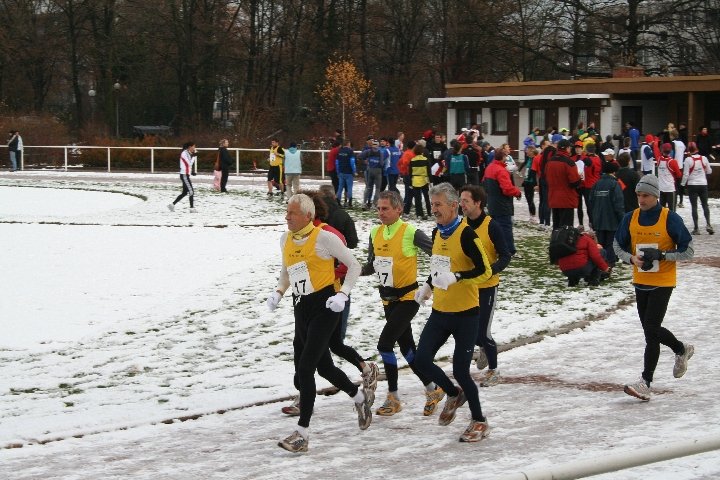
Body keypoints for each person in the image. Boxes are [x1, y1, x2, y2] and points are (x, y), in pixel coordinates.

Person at [267, 194, 374, 453]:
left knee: (305, 368)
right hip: (301, 307)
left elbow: (354, 265)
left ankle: (302, 434)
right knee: (324, 368)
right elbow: (287, 270)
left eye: (291, 213)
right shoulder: (286, 240)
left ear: (307, 216)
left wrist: (343, 294)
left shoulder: (325, 238)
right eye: (286, 212)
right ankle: (359, 397)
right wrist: (279, 292)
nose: (286, 217)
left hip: (326, 307)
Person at [414, 183, 492, 442]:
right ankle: (452, 393)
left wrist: (457, 277)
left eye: (438, 205)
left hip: (466, 315)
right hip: (440, 312)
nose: (433, 209)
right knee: (421, 359)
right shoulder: (437, 233)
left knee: (461, 370)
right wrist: (427, 285)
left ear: (453, 205)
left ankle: (479, 421)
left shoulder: (467, 234)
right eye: (432, 204)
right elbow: (438, 266)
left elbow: (485, 271)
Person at [360, 191, 445, 417]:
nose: (381, 213)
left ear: (399, 209)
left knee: (385, 344)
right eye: (378, 208)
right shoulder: (375, 233)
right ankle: (433, 389)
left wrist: (431, 284)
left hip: (409, 298)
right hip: (388, 300)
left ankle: (393, 397)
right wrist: (352, 270)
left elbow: (438, 254)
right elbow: (372, 266)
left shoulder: (411, 232)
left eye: (385, 208)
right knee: (408, 349)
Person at [613, 175, 695, 401]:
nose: (641, 199)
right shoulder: (631, 218)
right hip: (640, 281)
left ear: (656, 196)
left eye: (645, 195)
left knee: (651, 328)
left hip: (663, 281)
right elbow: (617, 245)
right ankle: (680, 349)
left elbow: (688, 251)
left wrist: (662, 255)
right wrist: (631, 259)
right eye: (638, 195)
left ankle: (645, 382)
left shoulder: (670, 219)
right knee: (650, 332)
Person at [459, 184, 511, 387]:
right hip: (467, 286)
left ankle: (494, 371)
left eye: (466, 201)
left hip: (487, 286)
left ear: (478, 203)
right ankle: (483, 349)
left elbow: (506, 255)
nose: (462, 204)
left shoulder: (491, 226)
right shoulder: (461, 225)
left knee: (482, 332)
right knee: (467, 331)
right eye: (460, 200)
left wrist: (490, 270)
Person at [483, 149, 521, 256]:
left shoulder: (489, 168)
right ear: (503, 157)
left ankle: (496, 249)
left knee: (494, 229)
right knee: (505, 228)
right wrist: (517, 192)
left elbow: (484, 183)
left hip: (492, 203)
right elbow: (507, 188)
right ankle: (510, 251)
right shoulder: (501, 170)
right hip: (502, 204)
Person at [589, 161, 625, 267]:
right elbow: (618, 204)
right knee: (611, 243)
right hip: (612, 220)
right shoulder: (615, 184)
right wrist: (622, 220)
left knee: (600, 243)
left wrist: (593, 218)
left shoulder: (596, 184)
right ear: (614, 172)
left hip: (598, 219)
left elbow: (590, 202)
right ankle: (609, 264)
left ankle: (601, 263)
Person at [545, 139, 581, 230]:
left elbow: (546, 177)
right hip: (566, 199)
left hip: (553, 198)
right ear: (567, 148)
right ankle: (564, 244)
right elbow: (574, 182)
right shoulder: (569, 162)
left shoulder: (550, 161)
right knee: (566, 228)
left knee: (556, 226)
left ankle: (555, 243)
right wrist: (580, 178)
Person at [681, 142, 714, 235]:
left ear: (689, 151)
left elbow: (686, 174)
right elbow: (709, 171)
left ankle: (696, 228)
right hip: (703, 184)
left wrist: (682, 184)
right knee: (705, 205)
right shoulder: (704, 158)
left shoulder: (688, 160)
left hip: (692, 185)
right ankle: (708, 224)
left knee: (694, 206)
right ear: (697, 149)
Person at [168, 141, 197, 212]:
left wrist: (192, 172)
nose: (195, 148)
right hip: (184, 175)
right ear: (190, 147)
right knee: (191, 191)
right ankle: (192, 208)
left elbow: (188, 164)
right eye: (194, 146)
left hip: (185, 175)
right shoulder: (184, 153)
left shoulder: (187, 153)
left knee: (185, 193)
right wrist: (194, 156)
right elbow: (189, 164)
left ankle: (172, 205)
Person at [408, 143, 432, 219]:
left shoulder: (412, 160)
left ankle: (419, 214)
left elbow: (410, 173)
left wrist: (410, 183)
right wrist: (430, 181)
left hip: (415, 180)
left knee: (417, 199)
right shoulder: (425, 160)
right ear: (422, 151)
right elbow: (429, 171)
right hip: (424, 180)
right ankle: (429, 213)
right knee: (426, 198)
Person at [657, 143, 682, 212]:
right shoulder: (673, 162)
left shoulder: (659, 159)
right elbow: (679, 175)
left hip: (661, 188)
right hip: (670, 189)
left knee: (661, 210)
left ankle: (662, 222)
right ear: (671, 151)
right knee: (672, 210)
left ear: (662, 150)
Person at [359, 139, 384, 209]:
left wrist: (365, 161)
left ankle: (364, 203)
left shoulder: (368, 151)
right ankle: (374, 205)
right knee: (378, 188)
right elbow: (382, 163)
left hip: (370, 170)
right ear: (378, 145)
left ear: (372, 145)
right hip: (378, 171)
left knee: (368, 187)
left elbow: (359, 156)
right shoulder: (380, 152)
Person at [335, 139, 356, 208]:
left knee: (340, 188)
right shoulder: (350, 151)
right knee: (349, 188)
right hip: (349, 172)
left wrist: (338, 171)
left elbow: (337, 162)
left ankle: (338, 202)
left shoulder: (340, 151)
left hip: (341, 172)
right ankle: (350, 203)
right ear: (348, 144)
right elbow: (352, 162)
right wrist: (354, 171)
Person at [520, 146, 537, 221]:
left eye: (527, 151)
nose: (526, 152)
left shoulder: (534, 159)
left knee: (530, 198)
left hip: (531, 182)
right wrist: (519, 170)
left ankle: (533, 215)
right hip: (526, 181)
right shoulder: (528, 159)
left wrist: (534, 182)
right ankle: (531, 214)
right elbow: (525, 165)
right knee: (527, 198)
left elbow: (533, 171)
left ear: (531, 151)